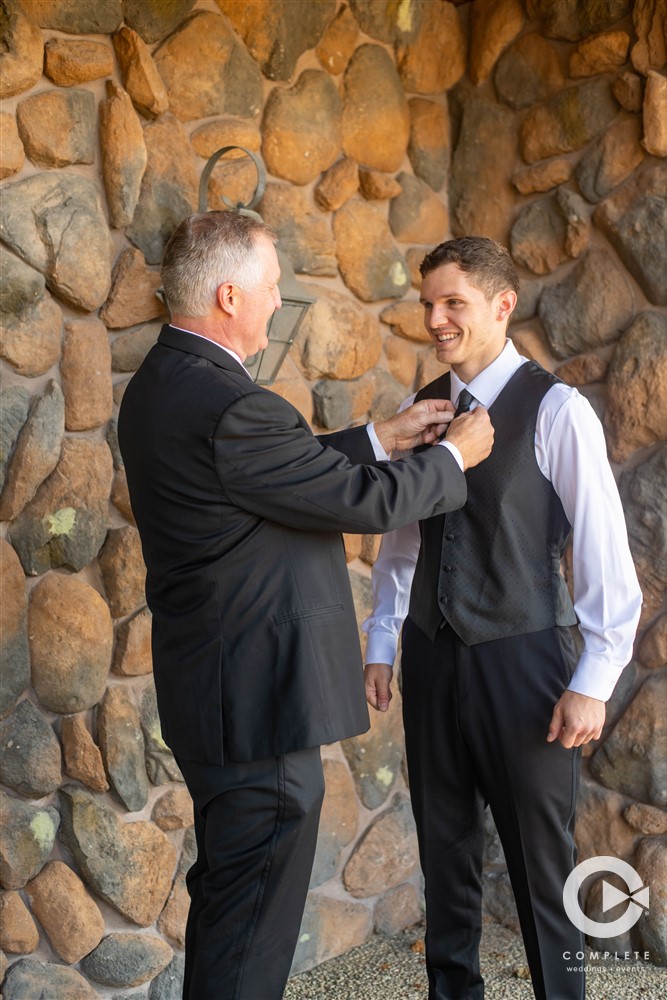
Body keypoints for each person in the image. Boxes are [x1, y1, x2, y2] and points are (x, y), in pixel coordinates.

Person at [118, 212, 494, 1000]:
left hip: (222, 695)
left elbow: (267, 476)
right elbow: (354, 502)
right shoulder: (228, 402)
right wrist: (454, 457)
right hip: (259, 705)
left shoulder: (166, 382)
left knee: (232, 902)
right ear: (228, 296)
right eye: (271, 287)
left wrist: (376, 436)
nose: (278, 300)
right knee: (249, 923)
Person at [363, 236, 642, 1000]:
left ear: (500, 305)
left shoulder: (557, 410)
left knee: (541, 866)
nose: (436, 320)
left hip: (522, 666)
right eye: (427, 305)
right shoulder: (422, 410)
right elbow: (401, 543)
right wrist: (383, 641)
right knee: (443, 859)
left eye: (452, 303)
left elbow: (603, 558)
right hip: (429, 659)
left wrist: (593, 680)